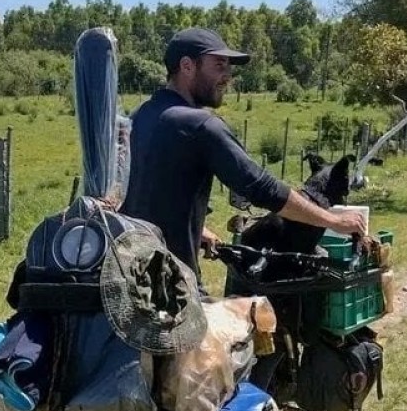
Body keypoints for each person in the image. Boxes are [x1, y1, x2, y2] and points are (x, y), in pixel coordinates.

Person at [121, 27, 365, 287]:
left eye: (229, 67)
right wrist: (334, 220)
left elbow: (146, 194)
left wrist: (198, 231)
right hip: (171, 285)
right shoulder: (201, 125)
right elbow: (261, 187)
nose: (228, 76)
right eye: (219, 65)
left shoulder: (138, 117)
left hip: (129, 274)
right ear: (187, 66)